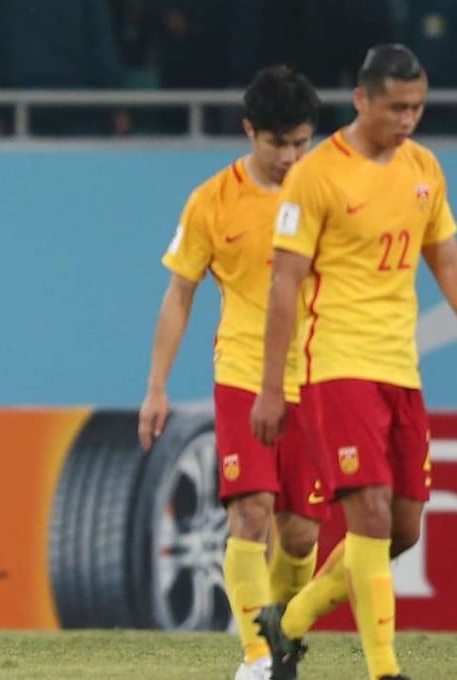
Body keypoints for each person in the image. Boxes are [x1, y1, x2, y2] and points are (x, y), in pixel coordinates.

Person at [251, 44, 457, 680]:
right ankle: (384, 670)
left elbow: (445, 260)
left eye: (418, 106)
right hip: (336, 363)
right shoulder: (316, 175)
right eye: (396, 106)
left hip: (400, 368)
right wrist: (270, 388)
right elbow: (284, 284)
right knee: (365, 513)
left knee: (401, 530)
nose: (408, 119)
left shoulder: (424, 167)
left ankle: (284, 623)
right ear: (362, 100)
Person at [138, 65, 324, 680]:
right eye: (279, 144)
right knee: (250, 511)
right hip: (244, 373)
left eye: (302, 142)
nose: (292, 156)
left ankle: (284, 637)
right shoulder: (212, 201)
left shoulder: (327, 191)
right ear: (250, 131)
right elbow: (179, 294)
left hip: (320, 376)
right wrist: (157, 387)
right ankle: (257, 656)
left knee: (299, 534)